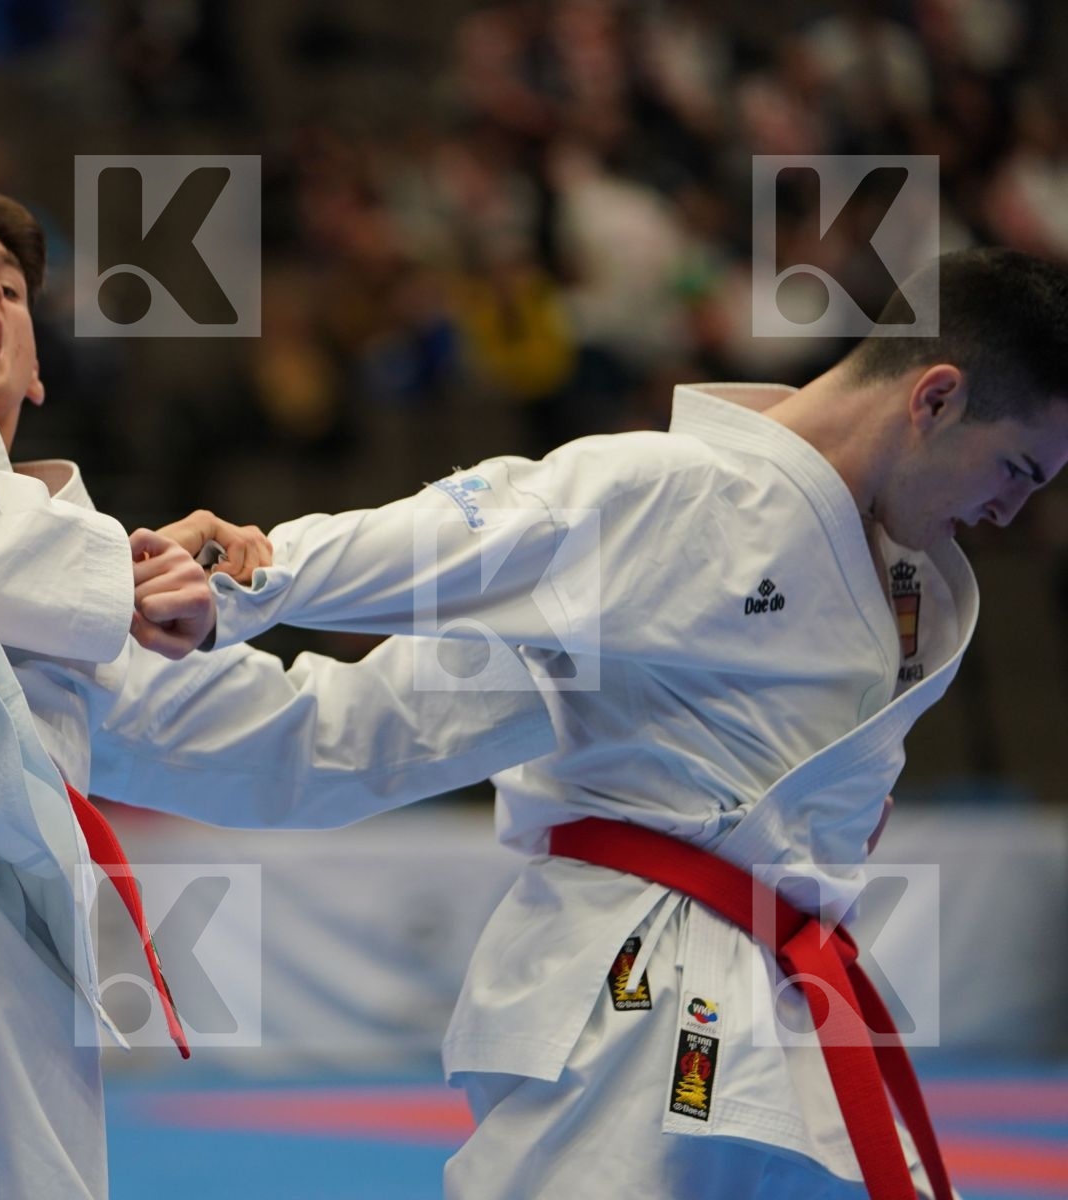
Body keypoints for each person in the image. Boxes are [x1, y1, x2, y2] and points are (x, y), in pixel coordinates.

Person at [0, 182, 559, 1199]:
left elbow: (306, 742)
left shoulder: (68, 601)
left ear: (40, 375)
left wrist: (569, 674)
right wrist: (143, 575)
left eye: (8, 287)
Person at [175, 248, 1068, 1198]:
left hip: (774, 1001)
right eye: (1018, 467)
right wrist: (248, 576)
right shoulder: (669, 489)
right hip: (633, 998)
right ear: (933, 399)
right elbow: (457, 538)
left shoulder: (906, 575)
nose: (1015, 510)